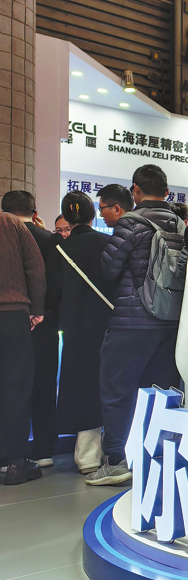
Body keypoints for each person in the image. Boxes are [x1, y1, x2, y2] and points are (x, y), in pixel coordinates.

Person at [89, 165, 184, 486]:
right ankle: (157, 457)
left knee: (117, 391)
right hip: (171, 322)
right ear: (167, 192)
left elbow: (109, 269)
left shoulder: (131, 223)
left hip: (132, 321)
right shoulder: (181, 225)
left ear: (136, 191)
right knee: (162, 393)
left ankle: (117, 461)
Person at [55, 191, 115, 474]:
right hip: (109, 325)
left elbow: (54, 291)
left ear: (67, 217)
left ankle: (87, 455)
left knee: (80, 385)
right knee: (111, 386)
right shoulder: (109, 243)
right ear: (94, 215)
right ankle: (115, 449)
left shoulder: (59, 249)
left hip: (74, 328)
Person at [1, 191, 62, 467]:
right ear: (34, 212)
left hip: (15, 315)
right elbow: (39, 272)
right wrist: (38, 311)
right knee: (29, 385)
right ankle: (31, 454)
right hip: (27, 317)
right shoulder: (44, 237)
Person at [0, 210, 45, 485]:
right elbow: (35, 267)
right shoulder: (12, 223)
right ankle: (16, 463)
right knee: (15, 387)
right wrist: (36, 309)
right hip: (12, 313)